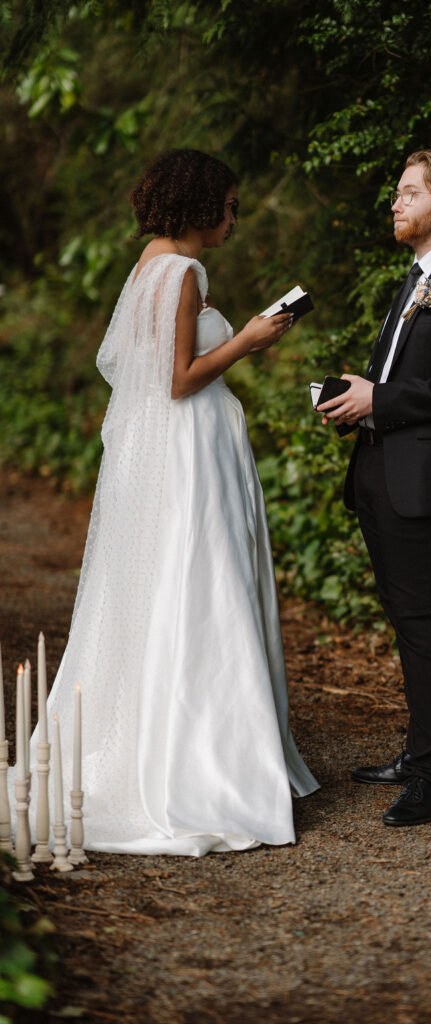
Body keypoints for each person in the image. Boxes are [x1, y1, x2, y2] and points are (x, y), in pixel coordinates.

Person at [31, 149, 318, 854]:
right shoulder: (181, 269)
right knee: (204, 585)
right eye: (228, 205)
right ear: (198, 206)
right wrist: (248, 339)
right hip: (189, 451)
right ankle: (205, 765)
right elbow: (177, 380)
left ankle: (191, 740)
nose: (234, 218)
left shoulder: (152, 263)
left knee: (175, 585)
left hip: (176, 451)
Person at [318, 149, 431, 827]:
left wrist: (381, 398)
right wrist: (354, 399)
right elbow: (399, 378)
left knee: (424, 625)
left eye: (407, 193)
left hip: (425, 482)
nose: (394, 203)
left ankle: (430, 776)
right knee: (407, 620)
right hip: (378, 471)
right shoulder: (416, 280)